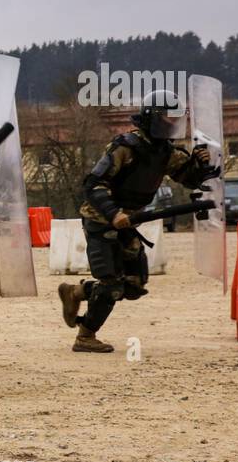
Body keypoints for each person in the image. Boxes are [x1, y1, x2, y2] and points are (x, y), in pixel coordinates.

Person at [57, 89, 219, 351]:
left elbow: (188, 178)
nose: (173, 122)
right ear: (153, 117)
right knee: (111, 285)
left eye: (176, 117)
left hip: (130, 221)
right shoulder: (126, 146)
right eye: (168, 116)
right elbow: (94, 184)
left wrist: (200, 165)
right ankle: (85, 336)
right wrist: (114, 213)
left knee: (133, 286)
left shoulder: (165, 152)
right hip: (100, 220)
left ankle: (76, 292)